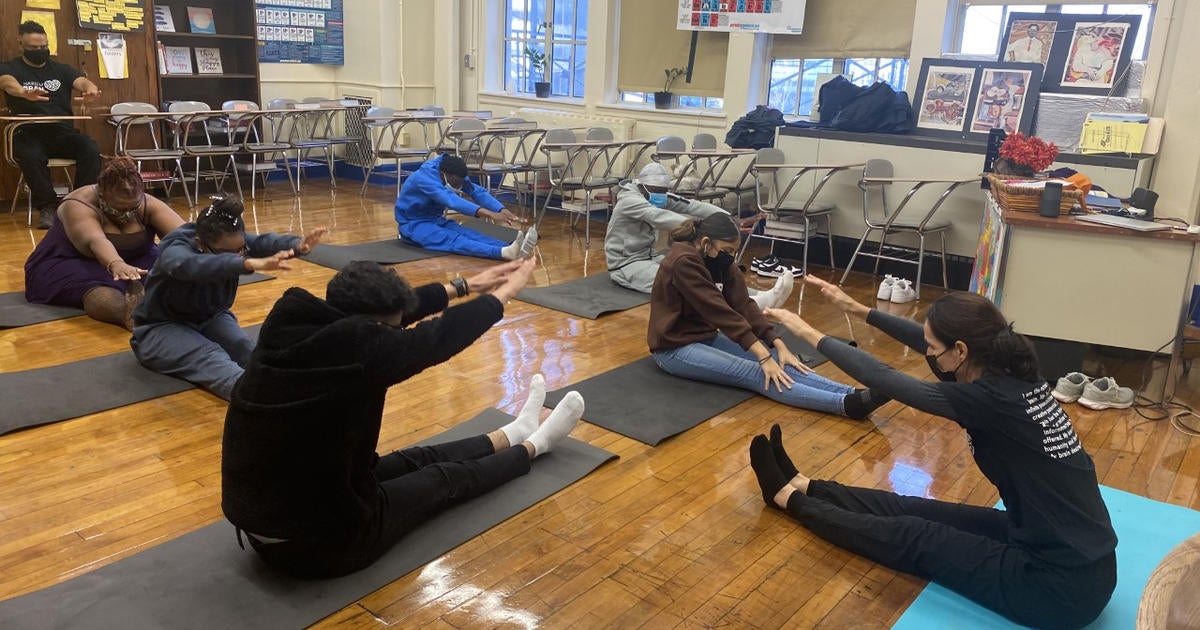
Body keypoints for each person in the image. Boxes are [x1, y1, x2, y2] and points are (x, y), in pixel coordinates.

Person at [750, 277, 1116, 630]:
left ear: (961, 351)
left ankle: (787, 500)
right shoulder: (1014, 372)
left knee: (914, 536)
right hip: (1069, 552)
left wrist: (807, 332)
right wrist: (859, 310)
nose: (929, 356)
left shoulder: (985, 399)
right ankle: (807, 485)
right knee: (918, 509)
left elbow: (888, 379)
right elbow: (931, 345)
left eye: (935, 351)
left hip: (1057, 589)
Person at [221, 257, 587, 579]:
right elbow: (435, 339)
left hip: (275, 514)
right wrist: (501, 295)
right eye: (392, 330)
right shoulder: (360, 351)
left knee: (414, 460)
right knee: (441, 480)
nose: (398, 333)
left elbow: (385, 321)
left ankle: (512, 432)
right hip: (316, 545)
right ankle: (535, 445)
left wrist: (464, 286)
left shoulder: (294, 322)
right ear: (373, 329)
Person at [647, 213, 885, 419]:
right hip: (673, 349)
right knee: (757, 370)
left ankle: (850, 393)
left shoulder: (720, 260)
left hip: (703, 337)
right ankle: (844, 406)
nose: (730, 256)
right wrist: (762, 356)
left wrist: (776, 343)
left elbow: (744, 305)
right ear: (706, 242)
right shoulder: (683, 262)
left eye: (734, 251)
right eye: (727, 250)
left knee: (779, 361)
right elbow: (720, 312)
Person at [130, 197, 326, 400]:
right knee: (210, 357)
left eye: (241, 249)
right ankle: (266, 402)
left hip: (210, 317)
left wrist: (297, 245)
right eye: (229, 252)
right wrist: (246, 264)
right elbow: (186, 265)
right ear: (200, 244)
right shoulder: (175, 249)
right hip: (159, 327)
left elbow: (262, 242)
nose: (238, 254)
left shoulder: (232, 241)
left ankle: (298, 390)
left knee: (246, 350)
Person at [606, 162, 793, 310]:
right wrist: (708, 230)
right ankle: (749, 304)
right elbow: (662, 217)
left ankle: (759, 296)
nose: (661, 195)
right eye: (657, 191)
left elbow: (691, 205)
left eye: (664, 191)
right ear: (643, 187)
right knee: (686, 280)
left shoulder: (654, 194)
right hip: (626, 265)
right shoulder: (629, 200)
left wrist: (728, 219)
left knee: (701, 269)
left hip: (650, 257)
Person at [24, 157, 184, 330]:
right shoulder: (77, 204)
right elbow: (96, 241)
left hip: (137, 259)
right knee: (98, 289)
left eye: (133, 208)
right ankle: (128, 314)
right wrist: (116, 263)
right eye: (120, 208)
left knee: (177, 268)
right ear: (101, 193)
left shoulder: (148, 203)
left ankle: (174, 305)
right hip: (71, 261)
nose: (127, 214)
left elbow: (184, 234)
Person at [0, 21, 103, 229]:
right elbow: (6, 83)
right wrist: (23, 92)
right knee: (30, 155)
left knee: (90, 148)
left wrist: (90, 88)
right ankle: (48, 207)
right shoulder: (9, 67)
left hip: (60, 131)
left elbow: (81, 82)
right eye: (33, 48)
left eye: (43, 47)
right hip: (27, 131)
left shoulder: (60, 69)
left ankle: (80, 203)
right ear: (21, 44)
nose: (39, 51)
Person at [394, 154, 536, 260]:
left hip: (436, 220)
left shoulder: (454, 171)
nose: (458, 186)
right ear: (445, 175)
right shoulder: (424, 179)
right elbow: (452, 201)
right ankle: (503, 253)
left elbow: (476, 191)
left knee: (467, 233)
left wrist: (501, 210)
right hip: (413, 225)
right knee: (452, 239)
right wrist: (491, 215)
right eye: (456, 183)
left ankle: (509, 247)